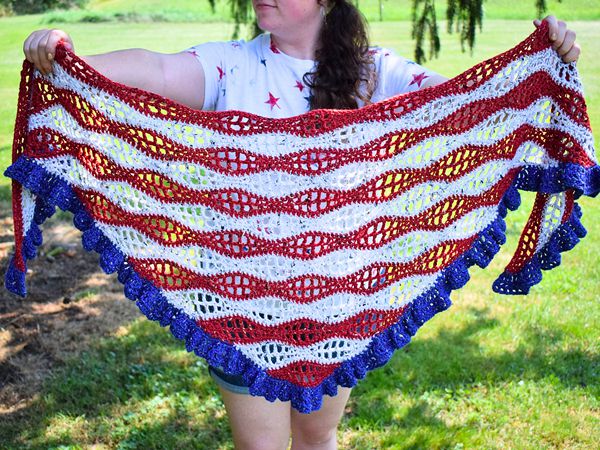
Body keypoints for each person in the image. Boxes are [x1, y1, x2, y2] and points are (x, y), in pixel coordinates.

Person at [22, 1, 581, 449]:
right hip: (240, 302)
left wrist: (544, 57)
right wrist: (70, 56)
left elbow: (470, 103)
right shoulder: (230, 65)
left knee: (318, 437)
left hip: (341, 301)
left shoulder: (375, 73)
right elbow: (158, 68)